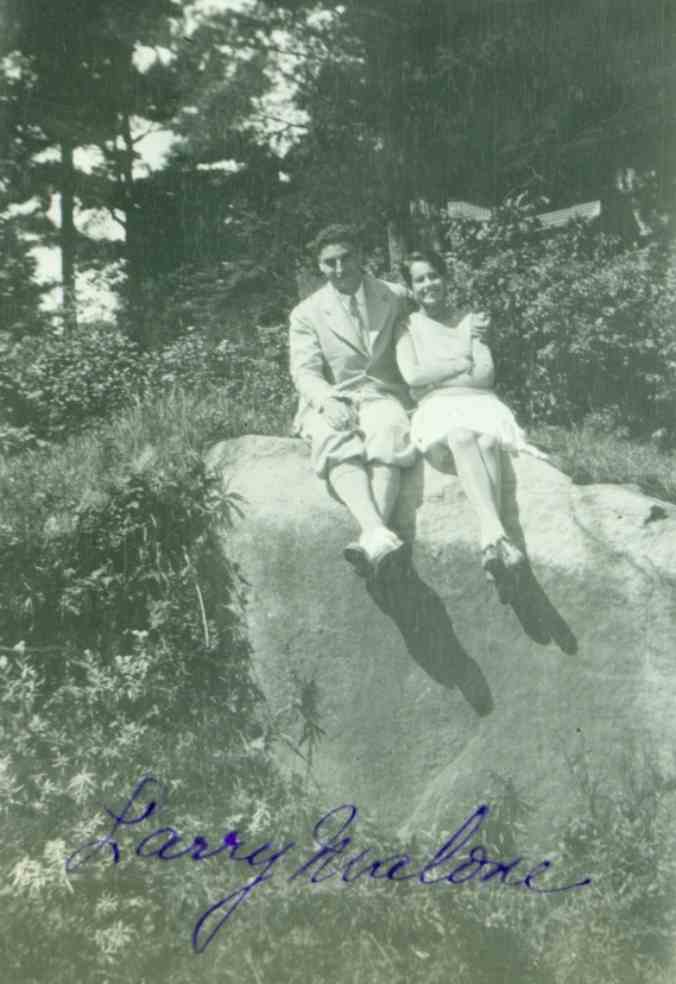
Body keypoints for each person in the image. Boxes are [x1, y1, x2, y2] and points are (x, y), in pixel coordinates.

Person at [396, 250, 542, 584]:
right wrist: (461, 364)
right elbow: (412, 376)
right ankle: (496, 534)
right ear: (411, 288)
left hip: (481, 403)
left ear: (445, 278)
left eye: (434, 275)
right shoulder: (406, 327)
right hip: (437, 407)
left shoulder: (471, 320)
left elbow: (485, 375)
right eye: (419, 280)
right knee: (461, 436)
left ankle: (493, 543)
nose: (429, 284)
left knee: (488, 441)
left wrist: (436, 376)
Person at [289, 224, 417, 578]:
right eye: (329, 262)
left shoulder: (394, 296)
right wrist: (327, 401)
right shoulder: (306, 313)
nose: (339, 268)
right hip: (334, 395)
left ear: (360, 256)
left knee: (389, 431)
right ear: (319, 266)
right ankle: (377, 533)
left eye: (346, 258)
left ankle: (370, 538)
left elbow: (429, 323)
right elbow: (304, 371)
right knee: (333, 437)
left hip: (381, 393)